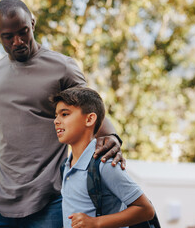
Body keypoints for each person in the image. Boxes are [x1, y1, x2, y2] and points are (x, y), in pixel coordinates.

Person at [0, 0, 125, 228]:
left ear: (32, 23)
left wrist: (112, 137)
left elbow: (91, 112)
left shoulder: (62, 68)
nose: (18, 41)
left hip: (50, 199)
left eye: (23, 32)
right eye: (8, 36)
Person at [52, 87, 155, 228]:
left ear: (89, 119)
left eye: (64, 114)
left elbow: (146, 210)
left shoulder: (104, 164)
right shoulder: (66, 165)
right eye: (56, 115)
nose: (56, 121)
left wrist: (96, 223)